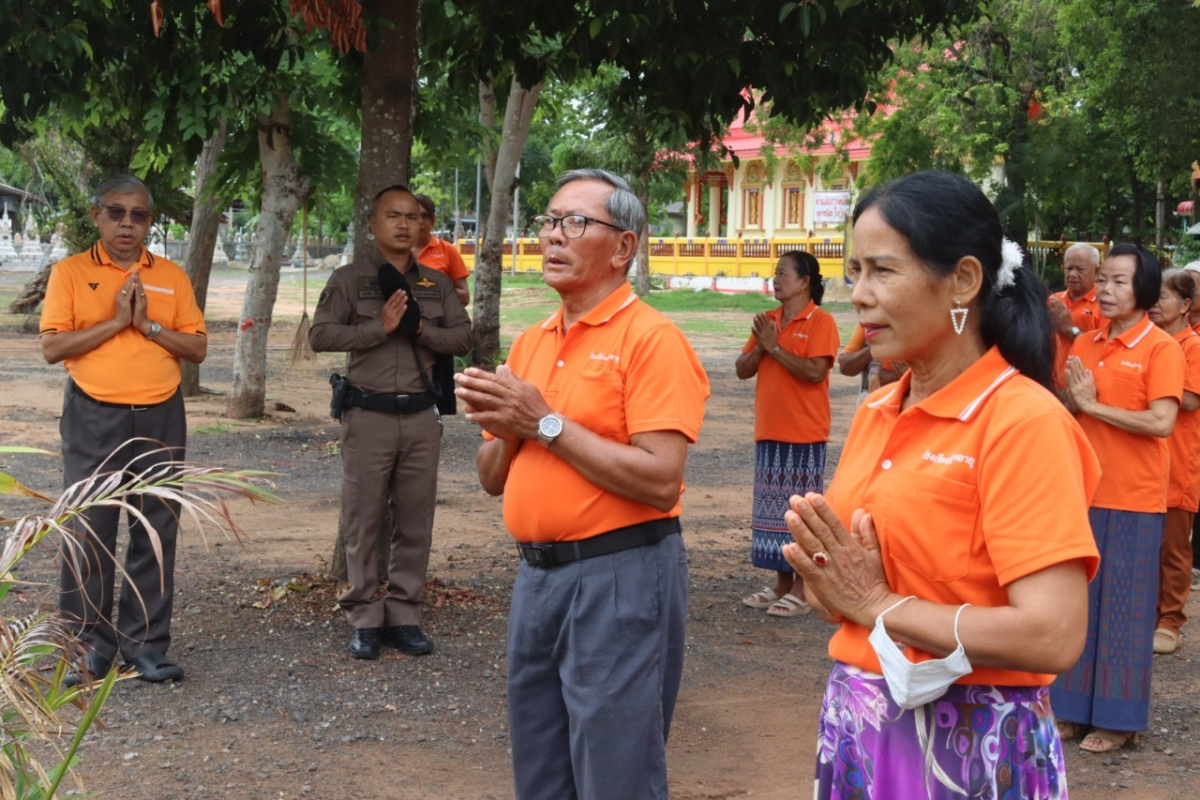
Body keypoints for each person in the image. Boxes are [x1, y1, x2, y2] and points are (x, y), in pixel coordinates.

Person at [779, 171, 1101, 796]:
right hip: (862, 724)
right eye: (854, 273)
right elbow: (849, 605)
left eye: (882, 271)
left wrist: (879, 606)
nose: (860, 296)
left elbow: (1053, 634)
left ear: (963, 280)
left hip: (975, 741)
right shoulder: (877, 413)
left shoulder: (1022, 422)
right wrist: (834, 589)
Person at [454, 169, 709, 799]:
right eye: (548, 220)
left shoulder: (652, 339)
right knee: (541, 769)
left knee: (615, 772)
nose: (552, 236)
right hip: (536, 579)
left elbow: (659, 478)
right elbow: (491, 477)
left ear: (623, 247)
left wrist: (540, 421)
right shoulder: (531, 341)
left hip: (619, 575)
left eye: (575, 223)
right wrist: (509, 424)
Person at [40, 174, 207, 686]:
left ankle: (147, 646)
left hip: (161, 412)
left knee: (155, 531)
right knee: (89, 530)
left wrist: (149, 326)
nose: (127, 224)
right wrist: (116, 322)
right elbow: (52, 348)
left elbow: (196, 348)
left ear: (150, 222)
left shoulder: (171, 276)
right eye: (116, 212)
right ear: (97, 216)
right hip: (94, 414)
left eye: (138, 215)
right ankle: (89, 646)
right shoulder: (70, 273)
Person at [309, 185, 471, 660]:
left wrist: (421, 328)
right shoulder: (347, 279)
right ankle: (363, 615)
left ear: (424, 226)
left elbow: (463, 337)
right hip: (368, 416)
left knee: (416, 518)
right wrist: (376, 328)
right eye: (393, 216)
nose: (404, 224)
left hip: (421, 417)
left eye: (413, 217)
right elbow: (320, 334)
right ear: (373, 225)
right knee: (362, 520)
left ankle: (404, 613)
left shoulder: (436, 284)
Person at [1053, 243, 1184, 753]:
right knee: (1080, 604)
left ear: (1144, 290)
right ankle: (1070, 711)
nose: (1105, 290)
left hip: (1135, 499)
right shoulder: (1085, 343)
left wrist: (1093, 405)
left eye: (1118, 282)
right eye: (1102, 280)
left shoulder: (1161, 348)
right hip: (1084, 492)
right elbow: (1071, 410)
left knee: (1126, 615)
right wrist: (1073, 401)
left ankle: (1117, 720)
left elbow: (1161, 422)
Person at [737, 250, 838, 617]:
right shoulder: (768, 321)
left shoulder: (821, 321)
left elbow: (815, 372)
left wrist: (774, 348)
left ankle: (802, 586)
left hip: (805, 432)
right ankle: (781, 583)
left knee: (799, 515)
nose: (775, 279)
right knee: (773, 515)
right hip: (770, 430)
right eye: (774, 273)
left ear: (805, 282)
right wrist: (764, 347)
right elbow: (742, 369)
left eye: (782, 273)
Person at [1147, 269, 1200, 655]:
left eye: (1162, 296)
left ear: (1185, 306)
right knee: (1146, 543)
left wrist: (1147, 387)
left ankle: (1171, 621)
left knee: (1174, 548)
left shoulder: (1192, 346)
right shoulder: (1148, 342)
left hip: (1179, 460)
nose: (1153, 302)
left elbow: (1192, 399)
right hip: (1148, 460)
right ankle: (1147, 615)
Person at [1048, 243, 1103, 385]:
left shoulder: (1105, 304)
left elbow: (1104, 349)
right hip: (1051, 384)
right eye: (1068, 268)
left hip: (1085, 388)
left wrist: (1069, 329)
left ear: (1097, 272)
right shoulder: (1053, 301)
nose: (1072, 274)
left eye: (1080, 269)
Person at [413, 194, 470, 308]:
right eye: (413, 216)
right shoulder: (394, 251)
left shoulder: (448, 251)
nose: (420, 222)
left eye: (425, 216)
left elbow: (465, 298)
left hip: (439, 322)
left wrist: (434, 290)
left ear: (433, 221)